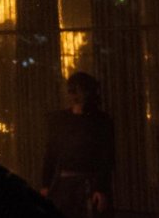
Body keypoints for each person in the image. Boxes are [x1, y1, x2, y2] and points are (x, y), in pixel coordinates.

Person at [41, 72, 115, 218]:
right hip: (64, 186)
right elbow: (51, 153)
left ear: (88, 92)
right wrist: (45, 185)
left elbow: (107, 157)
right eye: (71, 90)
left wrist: (100, 188)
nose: (74, 95)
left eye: (79, 90)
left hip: (90, 185)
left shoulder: (101, 121)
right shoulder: (59, 120)